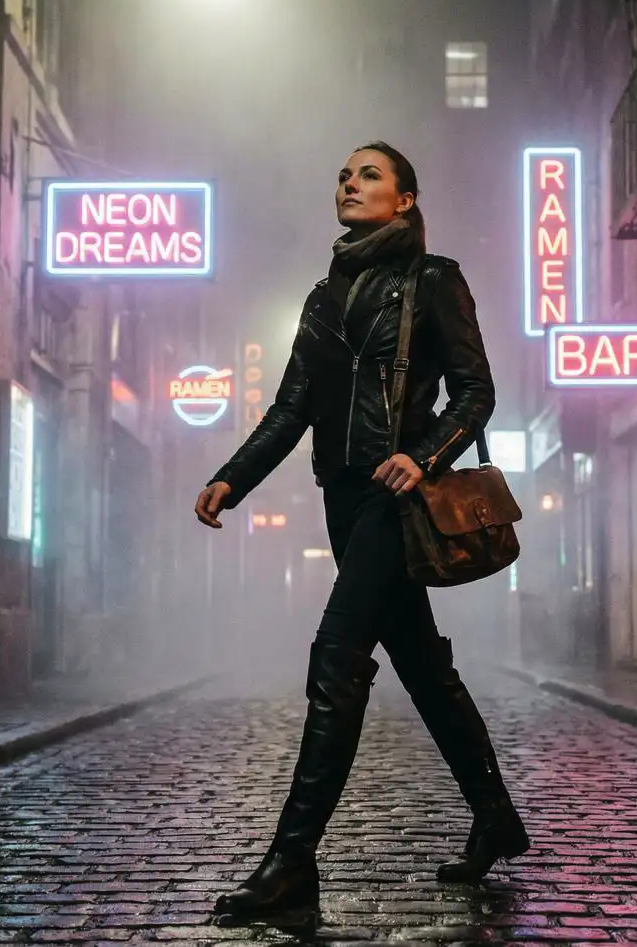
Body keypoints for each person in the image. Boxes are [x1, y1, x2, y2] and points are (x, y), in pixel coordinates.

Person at [195, 141, 529, 923]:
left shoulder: (433, 279)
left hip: (395, 498)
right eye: (343, 174)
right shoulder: (322, 298)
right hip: (342, 502)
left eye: (369, 173)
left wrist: (424, 453)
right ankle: (496, 813)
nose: (350, 182)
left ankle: (291, 862)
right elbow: (291, 408)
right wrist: (232, 476)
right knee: (418, 659)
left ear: (406, 199)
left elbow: (475, 391)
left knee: (338, 656)